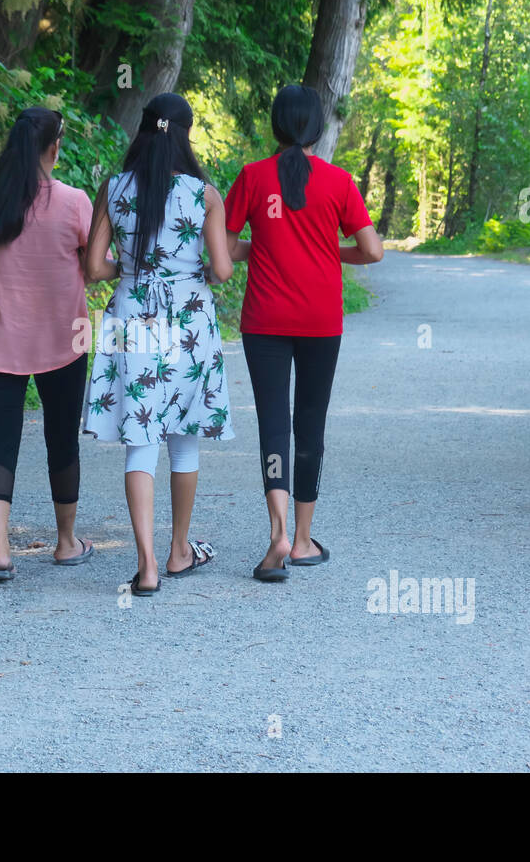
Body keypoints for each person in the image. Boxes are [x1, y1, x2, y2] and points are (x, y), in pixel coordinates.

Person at [223, 84, 383, 582]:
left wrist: (265, 248)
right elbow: (373, 250)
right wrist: (325, 250)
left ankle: (277, 531)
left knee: (273, 422)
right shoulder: (339, 181)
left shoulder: (251, 177)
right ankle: (303, 540)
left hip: (264, 321)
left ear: (275, 125)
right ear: (318, 128)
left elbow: (224, 252)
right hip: (319, 322)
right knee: (309, 423)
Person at [83, 92, 234, 596]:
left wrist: (130, 270)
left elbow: (92, 267)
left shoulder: (115, 188)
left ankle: (146, 565)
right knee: (184, 438)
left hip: (133, 311)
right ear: (185, 134)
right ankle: (179, 551)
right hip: (189, 316)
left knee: (140, 439)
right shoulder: (203, 194)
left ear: (144, 129)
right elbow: (222, 269)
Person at [0, 108, 95, 583]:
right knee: (62, 436)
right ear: (54, 148)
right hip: (63, 338)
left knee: (0, 439)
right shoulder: (76, 202)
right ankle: (65, 543)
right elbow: (95, 264)